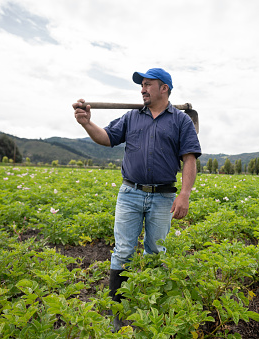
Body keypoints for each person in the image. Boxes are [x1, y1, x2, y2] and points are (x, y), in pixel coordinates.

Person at [73, 68, 201, 331]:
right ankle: (117, 314)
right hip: (130, 194)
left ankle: (152, 309)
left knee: (156, 253)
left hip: (164, 196)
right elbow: (107, 138)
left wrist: (184, 194)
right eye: (141, 85)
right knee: (123, 252)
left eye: (147, 85)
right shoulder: (131, 117)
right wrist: (86, 123)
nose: (142, 89)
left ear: (164, 88)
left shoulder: (180, 121)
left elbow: (189, 158)